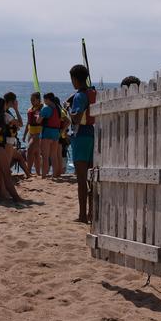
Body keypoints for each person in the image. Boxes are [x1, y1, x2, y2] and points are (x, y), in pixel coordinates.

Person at [69, 64, 96, 223]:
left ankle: (82, 215)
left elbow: (77, 118)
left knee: (81, 179)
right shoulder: (93, 92)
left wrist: (69, 112)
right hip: (93, 135)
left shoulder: (79, 96)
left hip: (80, 137)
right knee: (92, 177)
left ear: (74, 79)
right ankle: (92, 212)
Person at [4, 92, 32, 178]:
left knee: (17, 157)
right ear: (11, 102)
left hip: (3, 140)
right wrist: (16, 109)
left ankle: (28, 174)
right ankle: (28, 175)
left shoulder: (3, 110)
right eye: (15, 101)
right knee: (18, 157)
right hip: (6, 141)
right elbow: (20, 124)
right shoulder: (6, 113)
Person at [38, 92, 62, 178]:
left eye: (44, 100)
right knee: (54, 156)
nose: (44, 101)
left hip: (47, 133)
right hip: (56, 133)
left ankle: (44, 176)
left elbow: (38, 121)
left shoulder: (46, 108)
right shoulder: (58, 108)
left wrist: (39, 114)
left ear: (47, 99)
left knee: (45, 157)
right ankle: (54, 175)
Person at [23, 92, 43, 176]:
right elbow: (28, 123)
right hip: (30, 133)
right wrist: (24, 134)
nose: (32, 101)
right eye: (31, 100)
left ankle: (28, 171)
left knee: (29, 151)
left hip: (38, 133)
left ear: (39, 100)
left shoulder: (42, 109)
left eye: (33, 100)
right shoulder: (30, 109)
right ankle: (38, 173)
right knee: (36, 154)